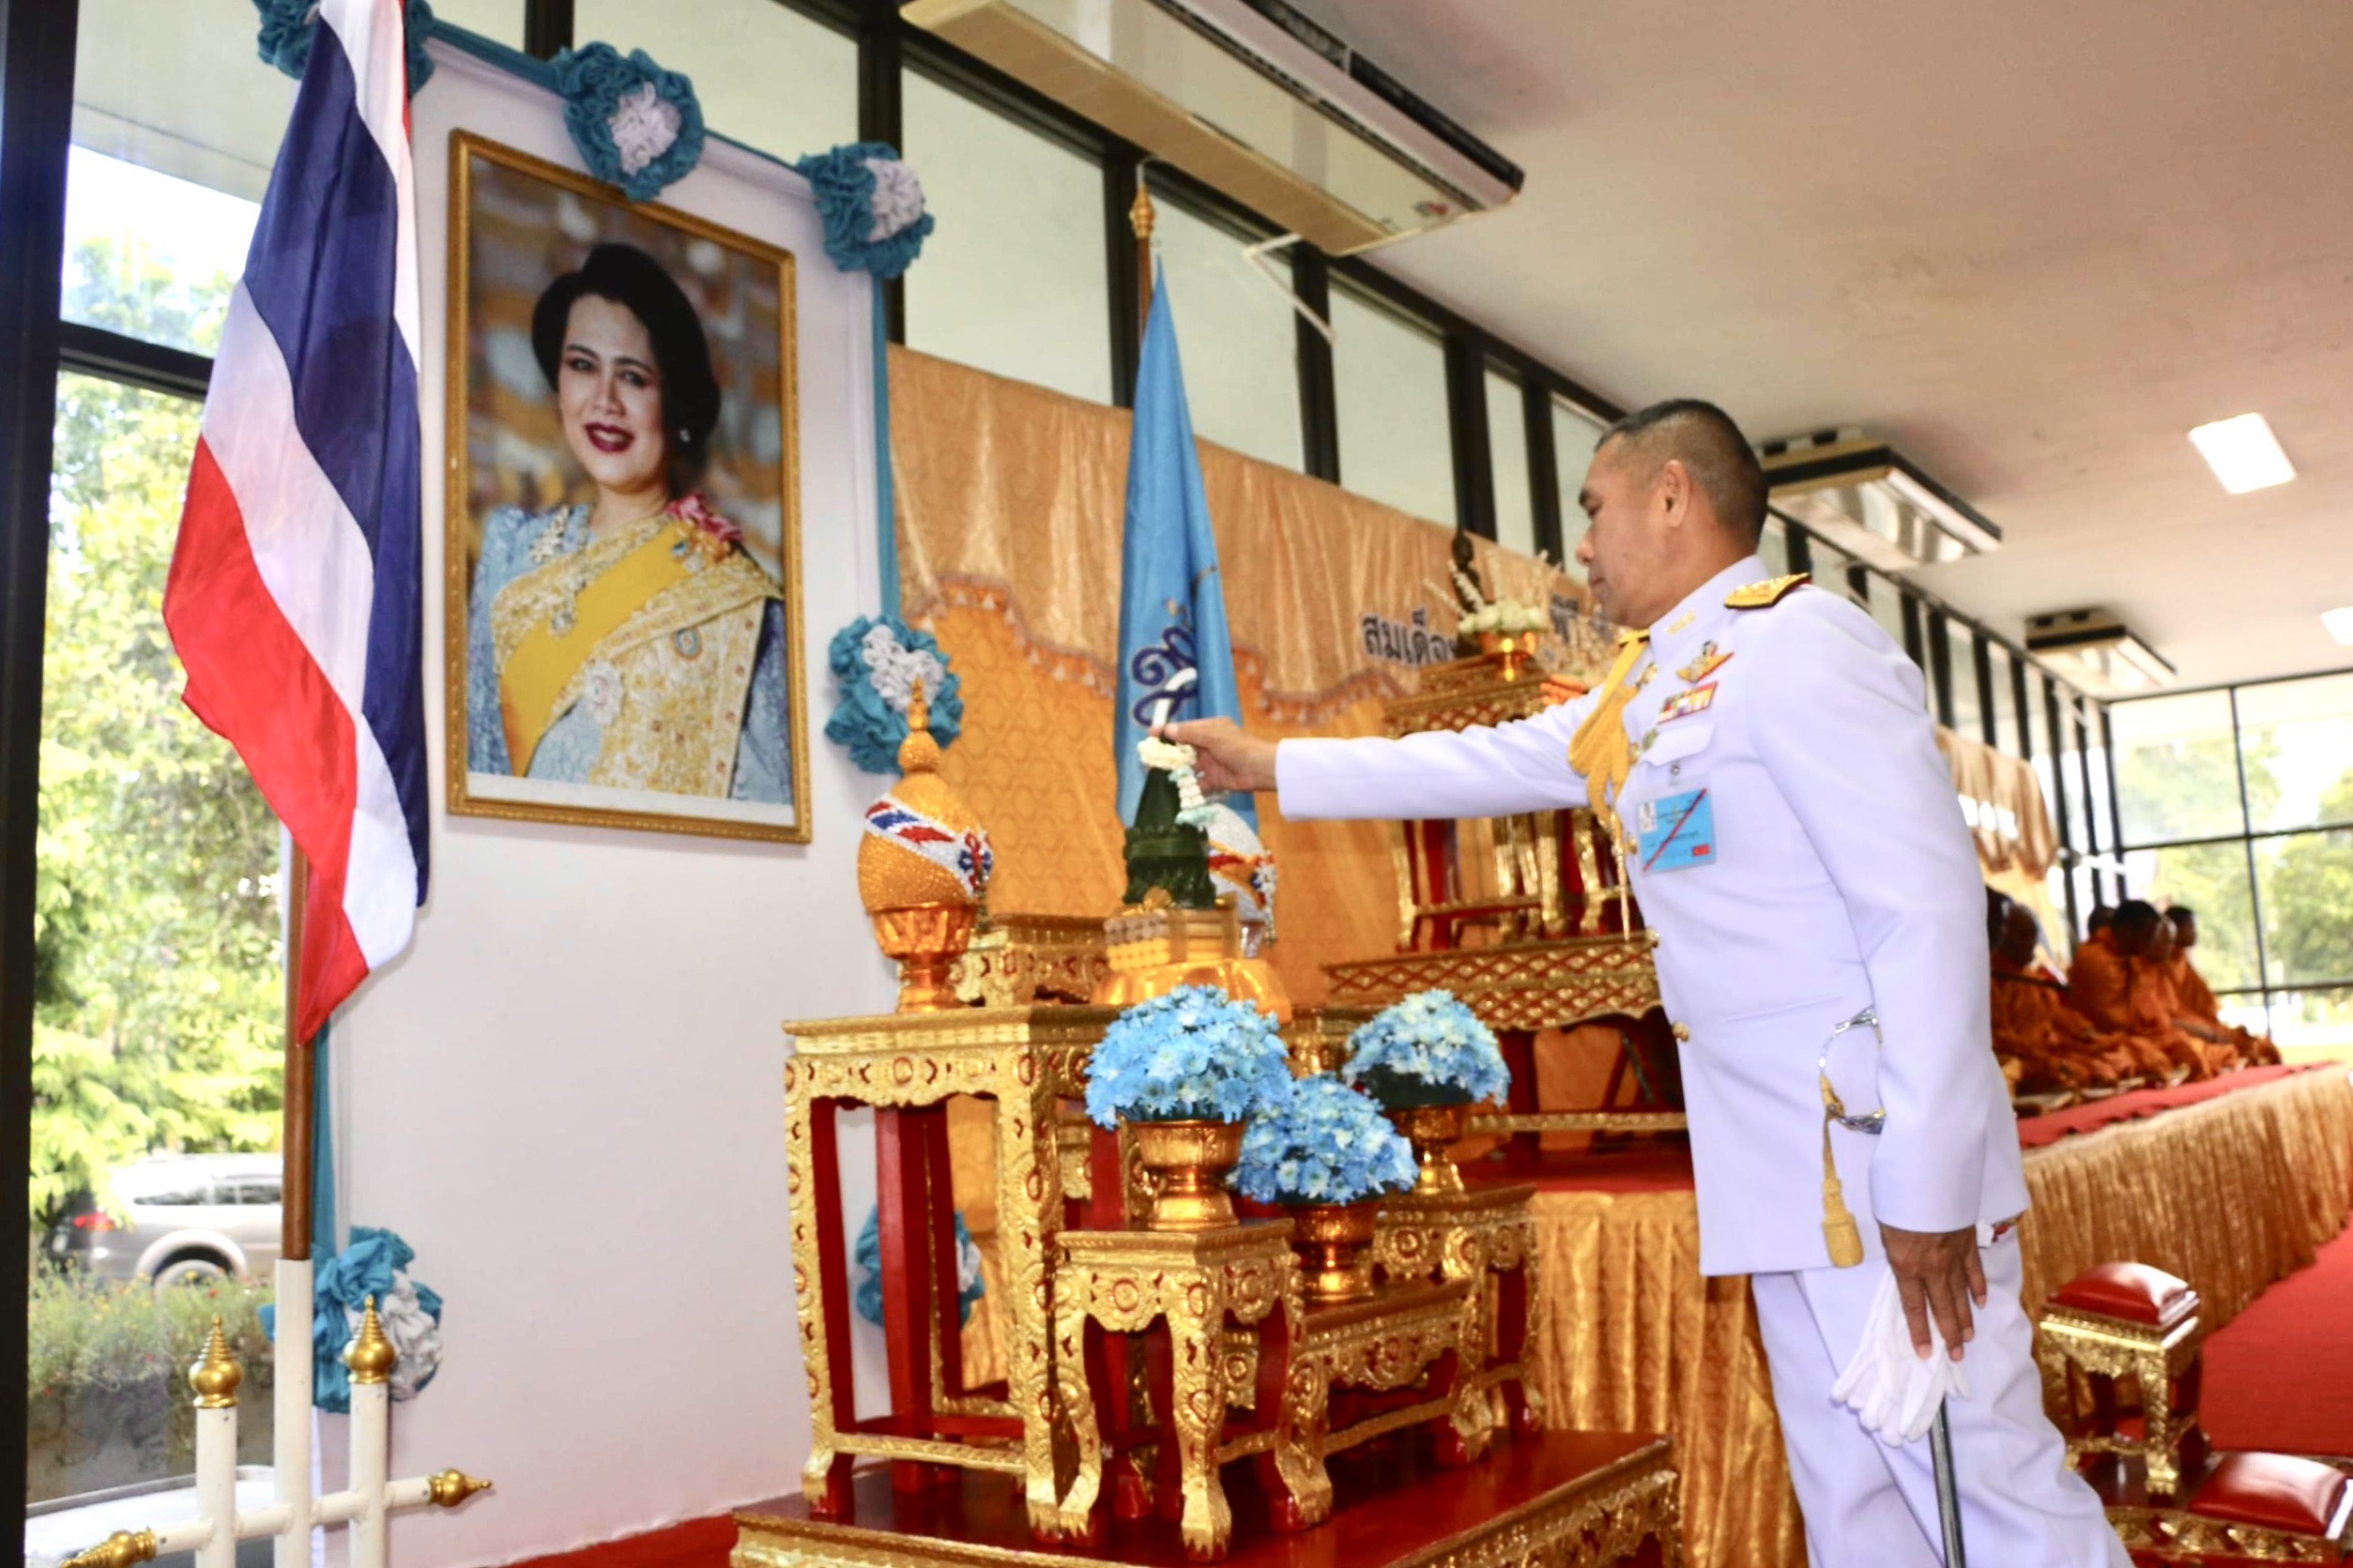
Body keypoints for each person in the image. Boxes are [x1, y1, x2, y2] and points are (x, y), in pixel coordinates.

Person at [1167, 400, 2125, 1567]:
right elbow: (1478, 759)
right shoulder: (1653, 684)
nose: (1581, 546)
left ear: (1670, 495)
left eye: (1591, 509)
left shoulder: (1803, 643)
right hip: (1777, 1161)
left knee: (1977, 1485)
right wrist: (1272, 764)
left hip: (1873, 1161)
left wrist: (1925, 1185)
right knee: (1853, 1490)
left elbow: (1921, 912)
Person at [466, 242, 791, 803]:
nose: (605, 400)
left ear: (675, 401)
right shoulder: (509, 549)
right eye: (582, 366)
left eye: (635, 378)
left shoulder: (736, 597)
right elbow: (474, 761)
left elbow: (765, 808)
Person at [1988, 895, 2136, 1092]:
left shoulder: (2033, 978)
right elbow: (1999, 1036)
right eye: (2023, 935)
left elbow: (2057, 1016)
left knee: (2110, 1066)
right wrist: (2039, 1054)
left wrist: (2085, 1032)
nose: (2031, 943)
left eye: (2033, 935)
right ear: (2002, 937)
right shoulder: (1992, 980)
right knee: (2072, 1073)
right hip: (2022, 1057)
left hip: (2050, 1050)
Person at [2163, 907, 2282, 1066]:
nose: (2195, 933)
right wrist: (2201, 1029)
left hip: (2200, 1023)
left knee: (2257, 1046)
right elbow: (2161, 1014)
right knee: (2200, 1050)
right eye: (2191, 927)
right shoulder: (2154, 967)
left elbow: (2203, 1004)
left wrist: (2206, 1028)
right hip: (2178, 1028)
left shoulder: (2182, 961)